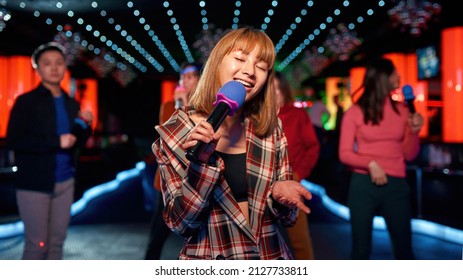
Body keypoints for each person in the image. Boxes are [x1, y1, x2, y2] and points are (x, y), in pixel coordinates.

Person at [152, 26, 312, 260]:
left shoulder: (270, 128)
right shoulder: (175, 132)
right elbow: (181, 224)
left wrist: (280, 197)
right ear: (217, 62)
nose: (250, 71)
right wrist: (201, 166)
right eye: (240, 58)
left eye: (261, 66)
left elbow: (288, 219)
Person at [6, 42, 93, 260]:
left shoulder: (71, 103)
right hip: (34, 183)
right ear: (37, 68)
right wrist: (56, 141)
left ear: (65, 67)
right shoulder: (26, 102)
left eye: (59, 63)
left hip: (65, 181)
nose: (54, 68)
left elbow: (75, 142)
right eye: (47, 63)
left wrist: (86, 126)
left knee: (56, 244)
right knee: (37, 245)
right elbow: (15, 141)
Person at [339, 57, 424, 260]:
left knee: (404, 252)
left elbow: (409, 155)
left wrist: (414, 132)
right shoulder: (354, 113)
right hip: (362, 185)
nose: (399, 76)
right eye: (394, 72)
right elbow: (344, 153)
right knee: (360, 252)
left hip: (396, 185)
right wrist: (370, 164)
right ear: (382, 78)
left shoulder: (404, 111)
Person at [144, 62, 201, 260]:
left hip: (195, 180)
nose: (184, 81)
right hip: (168, 179)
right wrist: (179, 106)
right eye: (182, 77)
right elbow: (168, 140)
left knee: (198, 240)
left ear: (201, 79)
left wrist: (187, 105)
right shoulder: (169, 106)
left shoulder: (205, 108)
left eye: (190, 77)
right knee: (157, 235)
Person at [274, 71, 320, 259]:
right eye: (269, 89)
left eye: (277, 89)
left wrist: (300, 173)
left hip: (292, 180)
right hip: (263, 183)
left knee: (299, 240)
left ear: (284, 91)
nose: (273, 93)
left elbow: (312, 147)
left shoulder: (297, 115)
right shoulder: (257, 117)